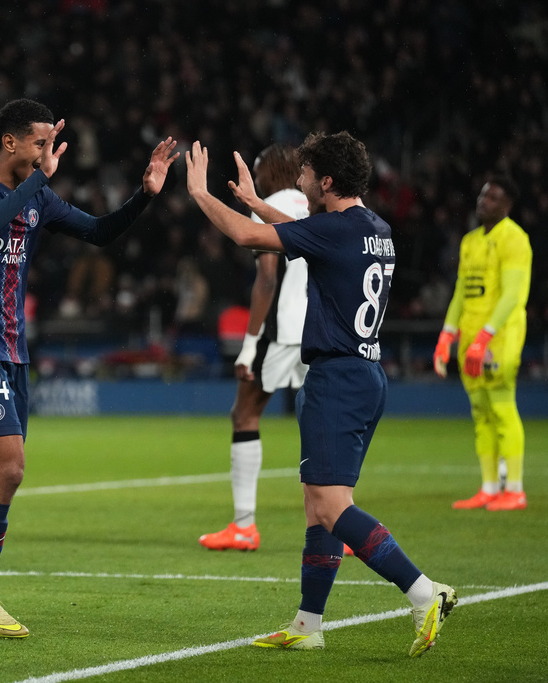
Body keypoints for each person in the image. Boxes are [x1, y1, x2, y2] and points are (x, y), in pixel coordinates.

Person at [0, 99, 178, 638]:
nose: (49, 153)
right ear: (10, 143)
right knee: (11, 470)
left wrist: (145, 194)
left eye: (52, 143)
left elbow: (98, 231)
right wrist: (38, 181)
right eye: (41, 143)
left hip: (12, 349)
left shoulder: (38, 196)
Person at [185, 132, 456, 657]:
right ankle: (309, 624)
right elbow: (308, 233)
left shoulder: (334, 230)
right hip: (365, 374)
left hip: (337, 378)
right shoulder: (374, 228)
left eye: (306, 174)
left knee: (332, 508)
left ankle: (425, 592)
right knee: (317, 507)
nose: (300, 181)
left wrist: (201, 193)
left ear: (326, 181)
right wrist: (258, 203)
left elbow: (247, 239)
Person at [197, 144, 310, 552]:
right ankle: (338, 527)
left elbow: (267, 278)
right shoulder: (317, 205)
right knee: (319, 422)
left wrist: (248, 345)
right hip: (322, 330)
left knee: (245, 413)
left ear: (270, 171)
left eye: (259, 170)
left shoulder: (269, 203)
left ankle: (244, 525)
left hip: (283, 329)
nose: (255, 178)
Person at [433, 175, 531, 511]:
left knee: (502, 407)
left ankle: (515, 489)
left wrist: (486, 336)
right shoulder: (471, 240)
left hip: (499, 336)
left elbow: (513, 296)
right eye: (482, 195)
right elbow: (461, 290)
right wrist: (448, 334)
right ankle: (490, 486)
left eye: (492, 197)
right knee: (480, 413)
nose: (483, 201)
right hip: (471, 335)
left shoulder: (515, 239)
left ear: (507, 205)